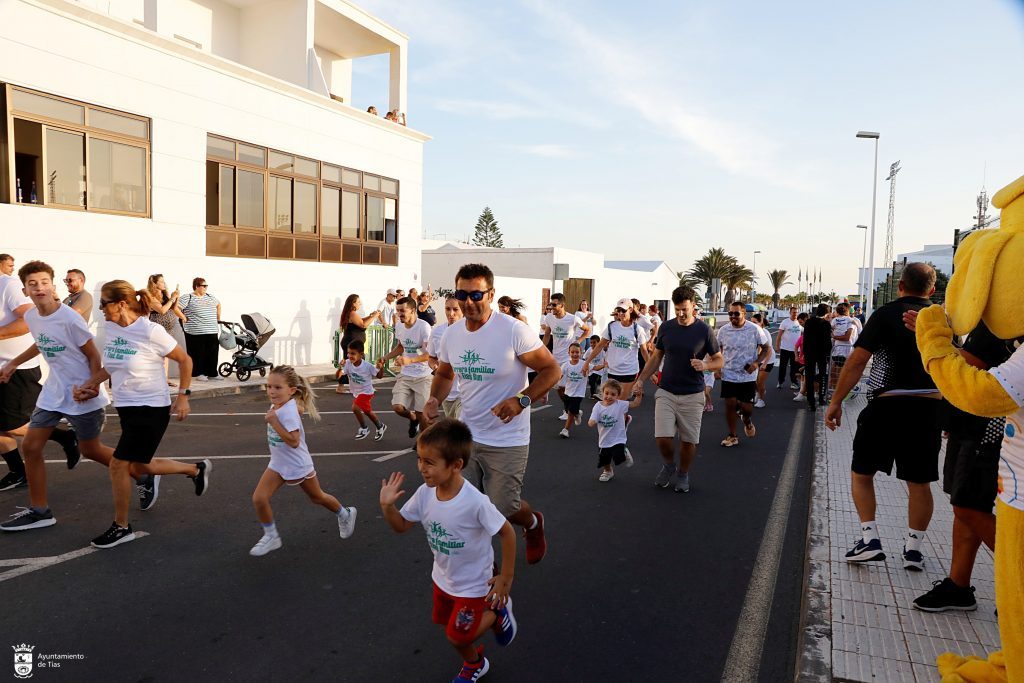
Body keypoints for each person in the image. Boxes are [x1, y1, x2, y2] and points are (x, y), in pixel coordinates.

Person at [424, 263, 560, 565]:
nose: (468, 302)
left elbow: (552, 370)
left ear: (491, 294)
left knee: (502, 506)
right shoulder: (451, 335)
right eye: (462, 294)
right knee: (466, 507)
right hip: (469, 435)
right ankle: (484, 570)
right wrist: (434, 399)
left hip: (508, 438)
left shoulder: (513, 331)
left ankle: (533, 523)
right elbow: (446, 374)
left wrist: (521, 401)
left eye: (476, 295)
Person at [76, 279, 211, 549]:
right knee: (138, 466)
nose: (101, 309)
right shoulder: (113, 327)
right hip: (126, 406)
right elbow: (112, 365)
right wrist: (89, 384)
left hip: (150, 407)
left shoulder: (150, 331)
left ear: (121, 304)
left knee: (118, 464)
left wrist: (184, 396)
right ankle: (196, 469)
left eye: (104, 303)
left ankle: (121, 526)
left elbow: (186, 360)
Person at [379, 420, 518, 682]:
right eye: (419, 459)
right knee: (450, 627)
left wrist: (506, 579)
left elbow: (507, 531)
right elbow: (401, 526)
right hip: (443, 579)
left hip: (474, 584)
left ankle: (495, 617)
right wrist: (387, 507)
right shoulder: (425, 494)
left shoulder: (475, 502)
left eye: (429, 462)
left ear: (456, 465)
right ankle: (474, 658)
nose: (422, 468)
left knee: (457, 635)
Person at [824, 262, 940, 570]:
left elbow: (858, 361)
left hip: (887, 404)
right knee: (920, 482)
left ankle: (870, 540)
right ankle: (913, 550)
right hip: (929, 408)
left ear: (900, 286)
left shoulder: (886, 314)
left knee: (862, 473)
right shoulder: (941, 317)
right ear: (932, 289)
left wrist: (836, 401)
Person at [0, 261, 110, 530]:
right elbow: (41, 343)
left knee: (92, 450)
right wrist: (13, 362)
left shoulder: (69, 317)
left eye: (44, 282)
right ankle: (40, 510)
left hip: (81, 391)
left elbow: (93, 354)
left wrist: (93, 385)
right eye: (33, 284)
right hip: (53, 391)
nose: (39, 287)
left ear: (52, 285)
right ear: (25, 290)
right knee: (31, 447)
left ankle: (143, 474)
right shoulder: (33, 317)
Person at [910, 320, 1008, 612]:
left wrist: (930, 338)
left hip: (987, 430)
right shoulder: (989, 322)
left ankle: (1016, 582)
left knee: (970, 507)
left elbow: (962, 369)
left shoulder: (1001, 324)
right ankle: (958, 584)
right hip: (972, 426)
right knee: (963, 506)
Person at [249, 365, 356, 557]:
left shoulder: (284, 412)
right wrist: (293, 409)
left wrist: (274, 422)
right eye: (269, 386)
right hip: (278, 463)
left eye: (277, 388)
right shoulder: (281, 405)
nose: (272, 391)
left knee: (317, 497)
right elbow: (295, 409)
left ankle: (345, 513)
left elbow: (294, 441)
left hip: (298, 463)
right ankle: (271, 535)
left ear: (291, 390)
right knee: (259, 498)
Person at [634, 285, 723, 492]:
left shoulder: (704, 330)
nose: (681, 314)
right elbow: (657, 356)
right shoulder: (666, 327)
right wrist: (641, 379)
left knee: (688, 441)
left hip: (693, 394)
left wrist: (706, 365)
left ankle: (683, 473)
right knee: (662, 438)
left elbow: (719, 360)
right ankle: (668, 465)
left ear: (693, 305)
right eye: (677, 310)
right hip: (667, 391)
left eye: (684, 309)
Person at [0, 256, 40, 491]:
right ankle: (18, 472)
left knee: (14, 426)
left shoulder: (8, 284)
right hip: (3, 368)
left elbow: (29, 320)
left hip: (17, 369)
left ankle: (65, 436)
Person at [714, 302, 770, 447]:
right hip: (729, 373)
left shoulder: (755, 329)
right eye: (730, 313)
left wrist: (757, 363)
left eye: (736, 313)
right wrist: (717, 367)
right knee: (730, 404)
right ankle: (732, 435)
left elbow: (765, 348)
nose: (733, 316)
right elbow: (718, 350)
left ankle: (747, 420)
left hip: (748, 375)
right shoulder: (723, 330)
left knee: (747, 408)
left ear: (744, 314)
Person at [378, 296, 432, 438]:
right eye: (397, 311)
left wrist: (410, 360)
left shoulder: (423, 327)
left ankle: (423, 441)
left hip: (423, 375)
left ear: (413, 310)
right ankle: (412, 418)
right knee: (398, 407)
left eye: (402, 311)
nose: (399, 314)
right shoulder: (399, 326)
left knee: (422, 414)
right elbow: (401, 347)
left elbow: (428, 354)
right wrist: (385, 358)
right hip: (406, 374)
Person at [583, 298, 650, 399]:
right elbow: (599, 346)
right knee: (612, 401)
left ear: (631, 310)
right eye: (618, 310)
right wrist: (587, 362)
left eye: (623, 310)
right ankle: (624, 415)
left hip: (629, 371)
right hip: (613, 370)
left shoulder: (637, 329)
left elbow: (644, 351)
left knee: (621, 403)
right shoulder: (612, 326)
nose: (620, 313)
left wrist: (652, 372)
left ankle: (624, 415)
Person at [543, 293, 590, 421]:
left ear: (562, 305)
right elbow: (547, 334)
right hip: (555, 357)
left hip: (569, 358)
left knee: (566, 387)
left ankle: (569, 410)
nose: (551, 307)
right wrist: (542, 347)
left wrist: (577, 342)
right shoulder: (549, 318)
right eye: (551, 304)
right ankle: (571, 410)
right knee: (559, 388)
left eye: (554, 304)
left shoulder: (573, 318)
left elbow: (587, 330)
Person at [588, 379, 642, 481]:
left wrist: (639, 396)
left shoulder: (620, 404)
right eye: (606, 393)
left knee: (618, 454)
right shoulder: (598, 406)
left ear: (618, 396)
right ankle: (608, 471)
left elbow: (635, 404)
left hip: (618, 436)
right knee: (604, 458)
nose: (609, 396)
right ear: (602, 392)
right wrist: (592, 421)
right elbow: (593, 418)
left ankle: (624, 453)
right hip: (604, 438)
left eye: (613, 394)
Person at [339, 340, 386, 441]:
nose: (349, 355)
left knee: (355, 408)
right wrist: (340, 367)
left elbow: (379, 376)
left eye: (353, 353)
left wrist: (381, 368)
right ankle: (380, 426)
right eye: (348, 353)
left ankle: (364, 428)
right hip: (356, 392)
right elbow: (340, 375)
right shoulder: (347, 363)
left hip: (366, 392)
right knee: (368, 412)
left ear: (361, 354)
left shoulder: (367, 366)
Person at [427, 296, 464, 420]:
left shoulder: (471, 331)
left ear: (462, 309)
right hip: (447, 394)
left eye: (455, 309)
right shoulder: (437, 332)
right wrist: (435, 366)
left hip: (466, 394)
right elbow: (431, 357)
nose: (451, 313)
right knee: (454, 432)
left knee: (462, 425)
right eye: (447, 309)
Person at [178, 277, 222, 381]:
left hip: (212, 330)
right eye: (204, 286)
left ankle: (212, 373)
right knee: (198, 353)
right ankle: (199, 373)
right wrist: (183, 317)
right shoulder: (187, 297)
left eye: (206, 286)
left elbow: (218, 304)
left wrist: (218, 317)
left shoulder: (210, 297)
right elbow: (176, 308)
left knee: (212, 353)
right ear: (197, 286)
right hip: (195, 331)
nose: (206, 288)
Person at [145, 274, 185, 387]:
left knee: (166, 353)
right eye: (161, 281)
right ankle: (153, 378)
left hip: (168, 329)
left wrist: (176, 298)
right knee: (156, 353)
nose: (164, 283)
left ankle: (165, 378)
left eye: (163, 281)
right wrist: (172, 298)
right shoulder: (150, 297)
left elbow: (173, 308)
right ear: (154, 284)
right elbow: (162, 310)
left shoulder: (164, 294)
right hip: (157, 328)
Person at [336, 294, 380, 394]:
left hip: (353, 343)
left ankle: (364, 387)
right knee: (352, 365)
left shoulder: (352, 314)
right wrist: (375, 317)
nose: (360, 304)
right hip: (352, 343)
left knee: (357, 365)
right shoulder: (352, 313)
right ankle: (341, 386)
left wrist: (371, 316)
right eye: (358, 302)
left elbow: (361, 321)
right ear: (353, 303)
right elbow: (363, 325)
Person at [801, 304, 833, 410]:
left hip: (809, 353)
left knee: (809, 376)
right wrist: (828, 352)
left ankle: (811, 402)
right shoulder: (826, 324)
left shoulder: (809, 322)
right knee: (823, 375)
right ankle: (821, 398)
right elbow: (828, 342)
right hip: (822, 353)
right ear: (826, 313)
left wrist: (805, 352)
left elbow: (805, 339)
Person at [828, 302, 858, 397]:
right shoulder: (836, 320)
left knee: (840, 375)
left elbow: (847, 337)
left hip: (846, 351)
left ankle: (849, 391)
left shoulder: (851, 321)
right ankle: (834, 393)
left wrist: (834, 336)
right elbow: (830, 328)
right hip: (836, 351)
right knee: (833, 374)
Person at [558, 343, 587, 438]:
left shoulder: (584, 364)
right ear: (569, 353)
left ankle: (565, 430)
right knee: (567, 410)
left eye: (577, 352)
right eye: (573, 352)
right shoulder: (565, 365)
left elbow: (594, 367)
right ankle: (577, 413)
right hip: (568, 392)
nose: (575, 354)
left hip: (579, 393)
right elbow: (559, 375)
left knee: (570, 412)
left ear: (581, 353)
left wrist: (604, 365)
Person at [751, 313, 775, 408]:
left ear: (761, 323)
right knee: (754, 381)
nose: (753, 324)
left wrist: (764, 363)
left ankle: (761, 400)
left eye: (755, 322)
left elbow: (768, 350)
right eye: (751, 322)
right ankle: (759, 392)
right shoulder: (752, 332)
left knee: (760, 382)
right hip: (758, 359)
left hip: (768, 360)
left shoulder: (765, 333)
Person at [776, 306, 802, 390]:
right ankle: (780, 382)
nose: (795, 314)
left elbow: (803, 335)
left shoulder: (799, 322)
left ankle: (793, 383)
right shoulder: (785, 322)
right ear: (790, 313)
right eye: (793, 312)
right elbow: (779, 335)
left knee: (794, 368)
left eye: (796, 312)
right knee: (783, 367)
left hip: (796, 350)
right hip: (785, 348)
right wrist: (777, 346)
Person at [586, 334, 606, 399]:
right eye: (591, 343)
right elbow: (584, 358)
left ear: (599, 342)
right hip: (591, 369)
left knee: (596, 381)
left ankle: (597, 392)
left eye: (594, 342)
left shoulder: (602, 350)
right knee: (592, 382)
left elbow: (606, 357)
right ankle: (593, 394)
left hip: (600, 370)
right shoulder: (589, 350)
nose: (592, 344)